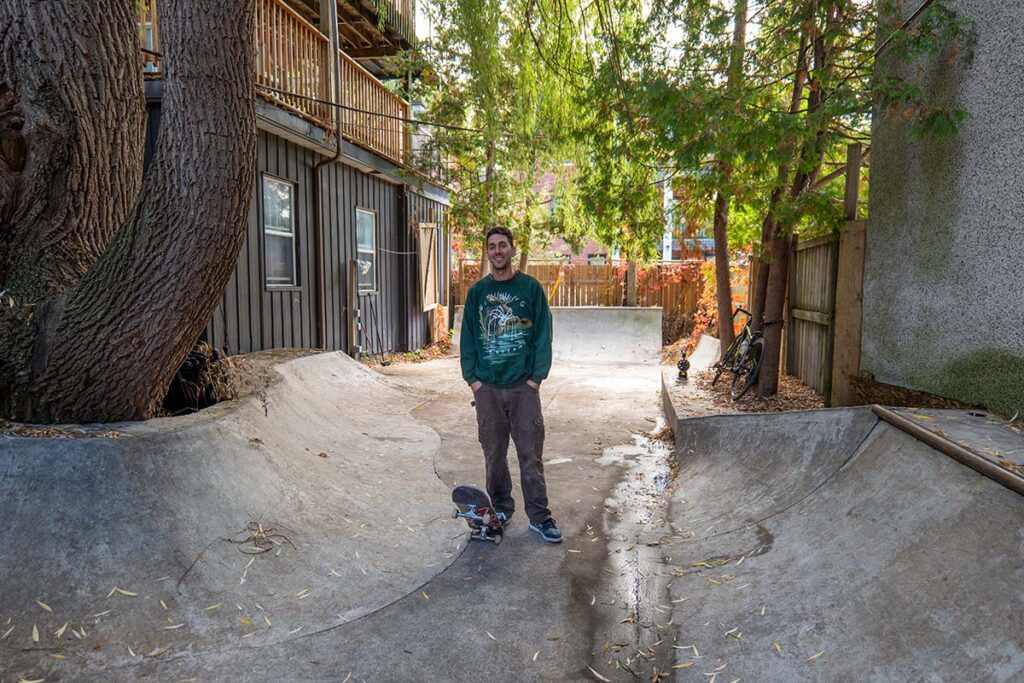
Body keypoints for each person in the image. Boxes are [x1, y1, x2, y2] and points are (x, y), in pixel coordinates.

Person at [460, 226, 561, 543]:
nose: (497, 251)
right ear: (487, 252)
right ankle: (501, 508)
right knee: (493, 454)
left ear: (512, 250)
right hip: (487, 388)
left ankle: (540, 517)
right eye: (492, 246)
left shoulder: (530, 288)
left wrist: (535, 378)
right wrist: (473, 380)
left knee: (530, 454)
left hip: (522, 387)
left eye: (503, 245)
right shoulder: (477, 292)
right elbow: (467, 338)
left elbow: (543, 333)